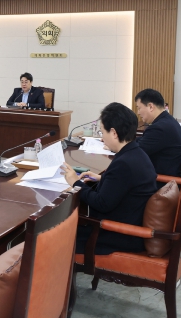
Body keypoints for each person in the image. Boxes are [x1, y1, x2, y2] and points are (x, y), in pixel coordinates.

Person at [60, 102, 158, 255]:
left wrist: (75, 182)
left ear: (113, 133)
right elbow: (125, 184)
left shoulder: (124, 163)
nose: (102, 138)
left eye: (102, 132)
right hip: (128, 223)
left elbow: (101, 203)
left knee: (56, 235)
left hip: (118, 234)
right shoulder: (136, 153)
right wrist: (102, 178)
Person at [135, 88, 181, 178]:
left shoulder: (159, 128)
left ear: (151, 107)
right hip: (169, 175)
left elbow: (136, 152)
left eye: (139, 108)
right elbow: (145, 141)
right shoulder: (168, 121)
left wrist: (117, 145)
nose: (138, 112)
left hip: (162, 181)